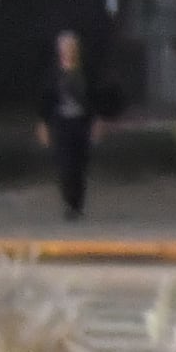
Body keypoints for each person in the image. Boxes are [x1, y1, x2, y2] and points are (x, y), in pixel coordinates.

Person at [40, 28, 117, 220]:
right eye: (65, 47)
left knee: (79, 166)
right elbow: (46, 99)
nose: (68, 51)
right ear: (60, 50)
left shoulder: (87, 72)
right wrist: (44, 124)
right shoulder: (53, 73)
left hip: (82, 123)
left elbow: (97, 98)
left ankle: (77, 205)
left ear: (77, 49)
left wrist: (99, 121)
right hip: (61, 124)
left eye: (72, 47)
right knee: (64, 165)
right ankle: (69, 202)